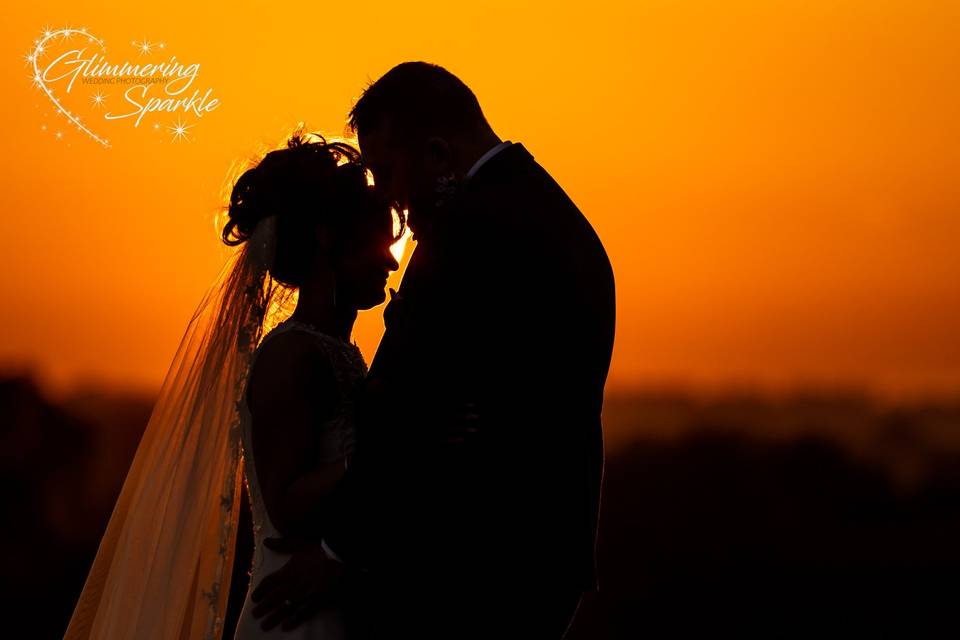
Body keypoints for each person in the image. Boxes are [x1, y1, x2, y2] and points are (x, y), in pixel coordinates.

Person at [250, 62, 616, 639]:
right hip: (542, 562)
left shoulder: (469, 233)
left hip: (471, 572)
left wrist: (338, 552)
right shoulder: (557, 214)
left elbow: (403, 407)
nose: (390, 202)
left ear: (439, 153)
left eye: (388, 173)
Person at [63, 132, 401, 640]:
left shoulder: (338, 352)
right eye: (378, 243)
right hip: (295, 616)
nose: (391, 261)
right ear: (328, 240)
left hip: (333, 604)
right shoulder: (292, 355)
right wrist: (393, 451)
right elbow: (284, 502)